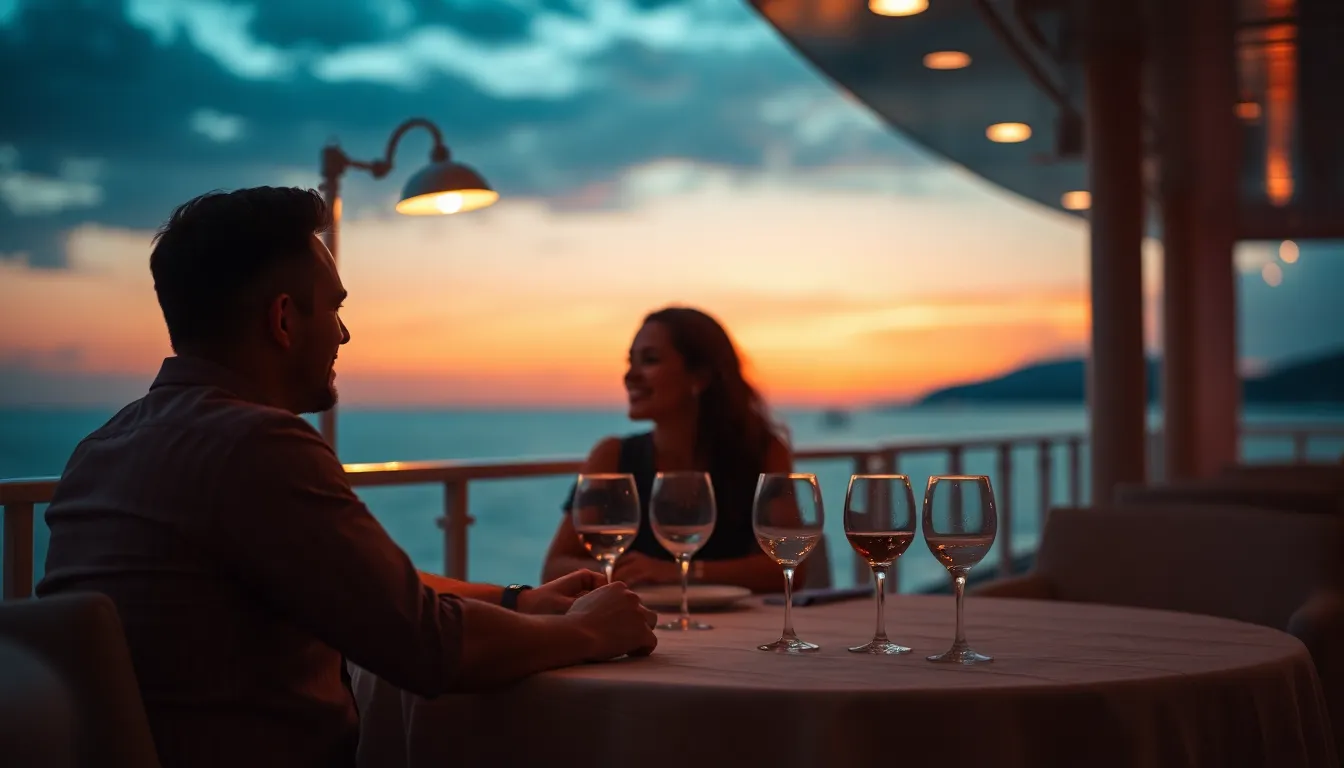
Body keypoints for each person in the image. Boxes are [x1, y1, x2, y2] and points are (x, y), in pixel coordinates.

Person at [35, 187, 658, 768]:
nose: (343, 333)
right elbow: (427, 647)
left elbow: (360, 587)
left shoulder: (102, 447)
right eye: (333, 308)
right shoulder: (255, 444)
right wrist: (583, 631)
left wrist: (515, 601)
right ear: (283, 320)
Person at [542, 306, 801, 592]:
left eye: (650, 360)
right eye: (631, 362)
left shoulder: (762, 452)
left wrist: (675, 572)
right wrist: (622, 572)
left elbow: (792, 568)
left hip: (745, 628)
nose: (630, 376)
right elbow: (553, 568)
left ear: (700, 377)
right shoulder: (613, 457)